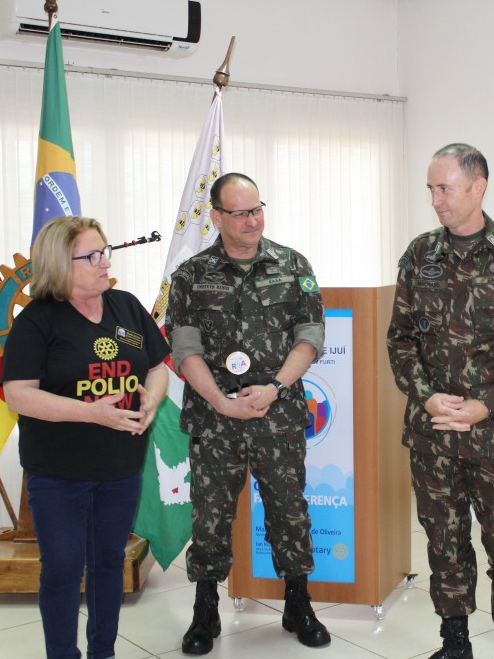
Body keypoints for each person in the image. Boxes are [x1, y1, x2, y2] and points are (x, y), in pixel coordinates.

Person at [387, 144, 494, 659]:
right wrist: (427, 397)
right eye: (430, 189)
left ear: (478, 187)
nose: (435, 200)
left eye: (445, 188)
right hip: (434, 430)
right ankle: (454, 643)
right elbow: (400, 339)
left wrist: (487, 404)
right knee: (444, 541)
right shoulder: (420, 254)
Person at [165, 172, 331, 655]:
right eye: (240, 213)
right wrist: (222, 402)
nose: (253, 220)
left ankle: (298, 603)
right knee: (210, 517)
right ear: (216, 217)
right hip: (215, 418)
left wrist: (275, 388)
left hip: (277, 415)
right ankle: (205, 610)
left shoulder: (292, 265)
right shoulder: (191, 275)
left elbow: (310, 336)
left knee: (290, 511)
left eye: (257, 209)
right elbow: (185, 348)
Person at [2, 216, 170, 659]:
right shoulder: (37, 321)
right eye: (92, 256)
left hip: (120, 467)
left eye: (105, 252)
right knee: (62, 568)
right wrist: (91, 414)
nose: (105, 262)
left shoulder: (126, 307)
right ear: (60, 263)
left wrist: (151, 400)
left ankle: (102, 651)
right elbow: (18, 395)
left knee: (108, 563)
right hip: (59, 472)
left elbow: (156, 367)